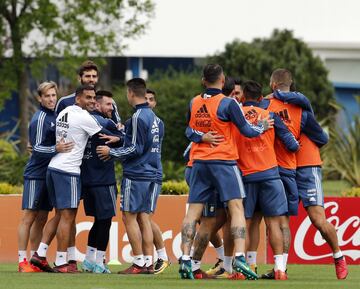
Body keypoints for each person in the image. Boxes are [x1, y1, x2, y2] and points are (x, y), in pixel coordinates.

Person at [179, 64, 273, 280]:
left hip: (199, 163)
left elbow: (188, 130)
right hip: (223, 162)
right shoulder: (228, 103)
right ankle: (239, 256)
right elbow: (248, 131)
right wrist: (263, 126)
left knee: (192, 213)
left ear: (203, 80)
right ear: (222, 81)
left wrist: (201, 137)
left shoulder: (194, 102)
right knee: (237, 207)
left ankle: (185, 258)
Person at [269, 88, 349, 280]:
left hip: (307, 167)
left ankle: (338, 256)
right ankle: (281, 268)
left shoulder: (301, 108)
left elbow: (322, 138)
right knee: (282, 221)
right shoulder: (268, 107)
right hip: (285, 168)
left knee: (318, 219)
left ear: (273, 85)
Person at [31, 85, 103, 273]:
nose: (92, 101)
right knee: (68, 217)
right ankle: (62, 262)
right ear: (78, 99)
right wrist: (119, 131)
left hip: (54, 167)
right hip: (68, 171)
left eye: (93, 97)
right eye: (88, 97)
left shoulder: (64, 112)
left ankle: (40, 253)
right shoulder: (83, 116)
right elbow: (102, 133)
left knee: (60, 215)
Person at [97, 78, 164, 275]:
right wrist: (120, 139)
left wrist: (111, 152)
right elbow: (145, 144)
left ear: (130, 93)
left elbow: (135, 148)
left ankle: (139, 262)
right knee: (144, 217)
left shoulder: (136, 118)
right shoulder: (155, 119)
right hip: (152, 172)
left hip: (136, 174)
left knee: (128, 216)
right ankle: (148, 261)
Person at [235, 80, 299, 280]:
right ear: (261, 99)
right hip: (271, 175)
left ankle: (247, 268)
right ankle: (280, 269)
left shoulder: (234, 116)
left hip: (246, 177)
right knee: (274, 223)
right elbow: (292, 145)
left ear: (243, 97)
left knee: (247, 223)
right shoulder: (270, 115)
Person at [18, 82, 74, 272]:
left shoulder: (56, 116)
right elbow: (36, 148)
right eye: (47, 96)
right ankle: (21, 260)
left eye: (53, 95)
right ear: (39, 98)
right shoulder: (40, 118)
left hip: (50, 173)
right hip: (36, 174)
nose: (51, 99)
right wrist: (55, 149)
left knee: (42, 217)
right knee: (29, 216)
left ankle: (35, 259)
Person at [80, 90, 124, 274]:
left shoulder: (82, 120)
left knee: (98, 221)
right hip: (103, 180)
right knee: (105, 221)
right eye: (108, 104)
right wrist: (120, 135)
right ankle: (99, 262)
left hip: (87, 180)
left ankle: (89, 260)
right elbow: (128, 140)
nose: (111, 108)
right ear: (97, 105)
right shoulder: (106, 122)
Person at [143, 88, 170, 274]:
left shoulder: (157, 123)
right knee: (141, 216)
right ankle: (148, 259)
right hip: (143, 173)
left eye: (151, 99)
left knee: (145, 216)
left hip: (152, 174)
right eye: (145, 99)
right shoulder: (142, 120)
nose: (148, 102)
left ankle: (161, 256)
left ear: (155, 103)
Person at [55, 60, 121, 125]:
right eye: (87, 76)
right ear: (79, 78)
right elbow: (57, 126)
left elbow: (118, 126)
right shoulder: (64, 102)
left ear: (97, 78)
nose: (91, 79)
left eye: (94, 76)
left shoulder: (108, 102)